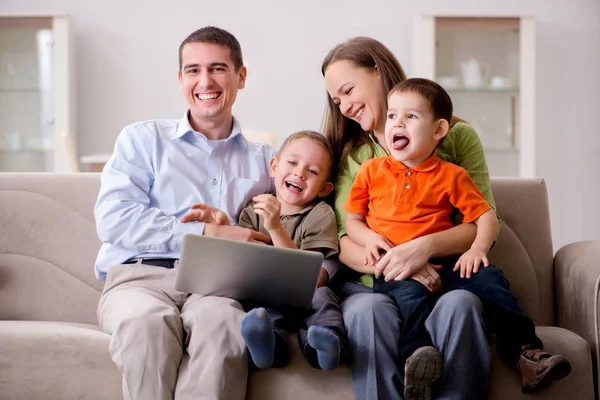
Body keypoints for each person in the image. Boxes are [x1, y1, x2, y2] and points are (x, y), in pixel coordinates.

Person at [344, 77, 572, 398]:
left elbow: (486, 216)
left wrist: (477, 249)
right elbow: (352, 220)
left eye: (411, 117)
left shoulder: (451, 174)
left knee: (490, 280)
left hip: (448, 261)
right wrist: (368, 239)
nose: (397, 123)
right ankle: (417, 357)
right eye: (393, 115)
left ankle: (526, 353)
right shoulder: (371, 170)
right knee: (408, 297)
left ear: (438, 131)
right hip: (398, 265)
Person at [94, 26, 276, 400]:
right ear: (180, 80)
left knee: (226, 326)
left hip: (217, 286)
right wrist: (206, 234)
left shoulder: (265, 162)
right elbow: (114, 218)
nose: (204, 81)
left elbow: (278, 233)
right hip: (139, 278)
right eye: (193, 70)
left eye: (218, 69)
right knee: (147, 324)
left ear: (240, 76)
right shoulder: (143, 140)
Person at [321, 36, 493, 400]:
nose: (345, 107)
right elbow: (343, 239)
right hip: (372, 283)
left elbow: (483, 222)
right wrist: (401, 263)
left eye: (349, 90)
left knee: (461, 304)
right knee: (369, 312)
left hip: (446, 277)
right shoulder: (355, 157)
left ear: (378, 72)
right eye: (337, 101)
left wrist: (424, 248)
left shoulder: (455, 137)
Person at [194, 130, 348, 371]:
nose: (300, 173)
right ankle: (269, 347)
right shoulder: (254, 208)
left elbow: (312, 278)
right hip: (268, 295)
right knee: (261, 310)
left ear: (324, 189)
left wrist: (275, 228)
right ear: (274, 166)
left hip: (308, 296)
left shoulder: (320, 213)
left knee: (324, 299)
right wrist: (222, 225)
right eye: (293, 162)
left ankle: (326, 347)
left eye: (312, 171)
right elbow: (240, 258)